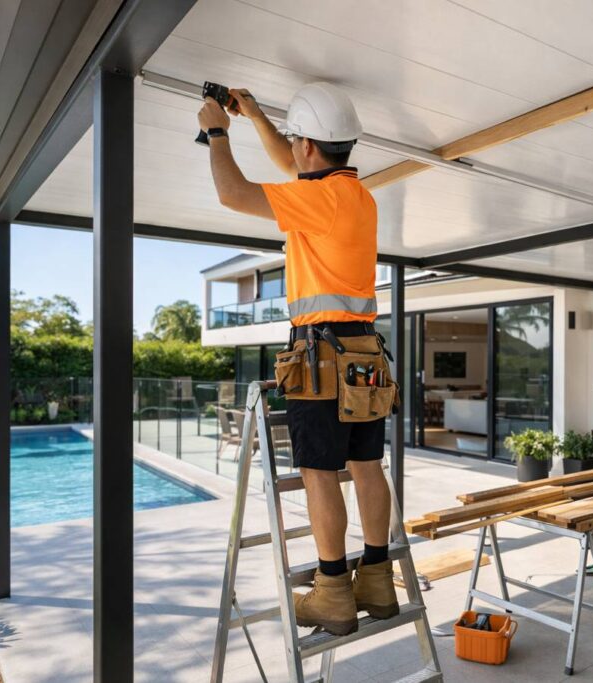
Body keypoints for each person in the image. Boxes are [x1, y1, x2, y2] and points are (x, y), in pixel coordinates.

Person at [198, 82, 397, 636]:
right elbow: (293, 163)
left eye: (295, 139)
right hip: (363, 350)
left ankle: (333, 591)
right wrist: (257, 114)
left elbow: (232, 193)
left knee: (317, 472)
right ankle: (376, 580)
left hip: (320, 352)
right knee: (366, 466)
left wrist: (217, 130)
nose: (292, 149)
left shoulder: (318, 199)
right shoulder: (355, 195)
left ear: (310, 144)